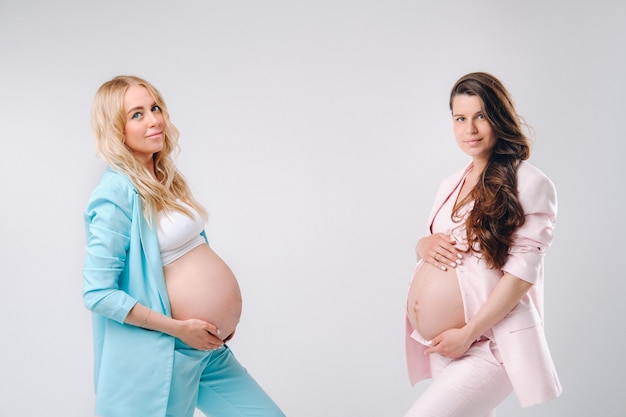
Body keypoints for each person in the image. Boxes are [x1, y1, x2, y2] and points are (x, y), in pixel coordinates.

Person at [83, 75, 285, 417]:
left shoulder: (165, 178)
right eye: (137, 114)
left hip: (207, 350)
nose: (154, 120)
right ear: (116, 129)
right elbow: (98, 293)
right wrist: (180, 329)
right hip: (168, 352)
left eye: (155, 107)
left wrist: (222, 316)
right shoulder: (115, 192)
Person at [404, 72, 562, 416]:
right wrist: (422, 245)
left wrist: (468, 333)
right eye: (460, 118)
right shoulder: (451, 182)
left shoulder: (530, 183)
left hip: (489, 344)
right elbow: (443, 245)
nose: (469, 129)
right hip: (445, 346)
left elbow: (521, 276)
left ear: (499, 117)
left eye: (481, 116)